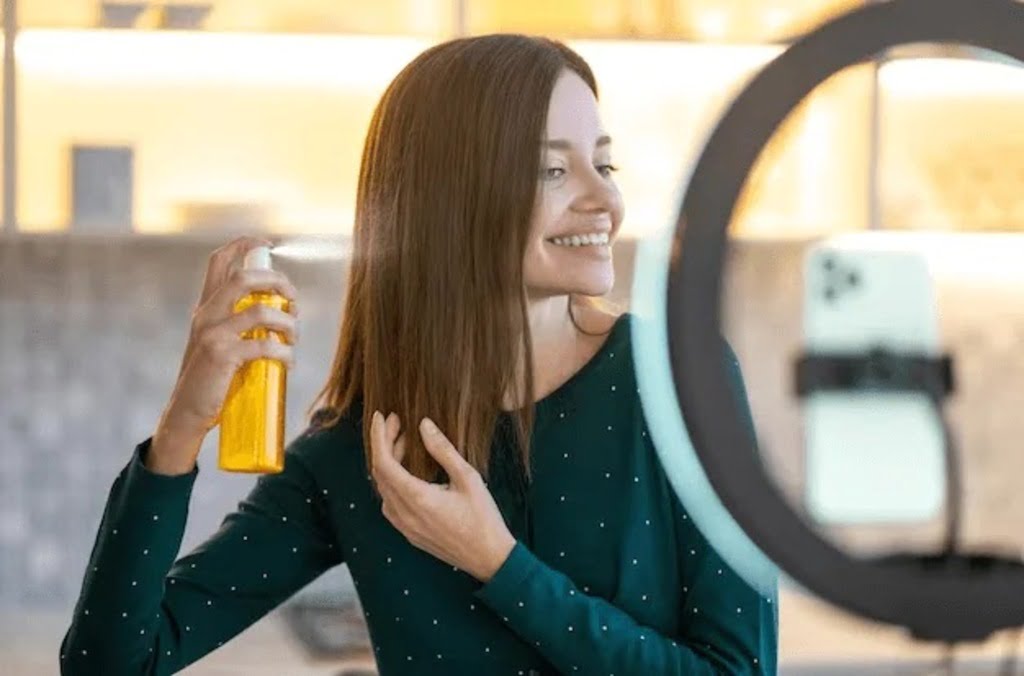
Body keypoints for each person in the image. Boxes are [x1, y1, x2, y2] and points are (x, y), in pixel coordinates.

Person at [60, 34, 777, 675]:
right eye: (552, 172)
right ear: (449, 203)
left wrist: (498, 565)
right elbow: (110, 665)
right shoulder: (357, 449)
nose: (605, 201)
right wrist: (183, 425)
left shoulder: (681, 379)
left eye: (603, 163)